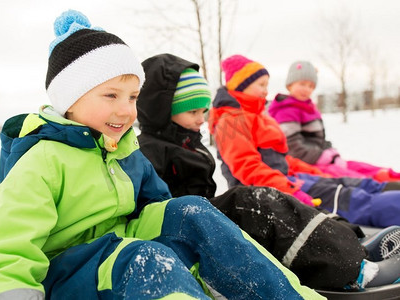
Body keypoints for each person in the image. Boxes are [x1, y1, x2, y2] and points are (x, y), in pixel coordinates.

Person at [0, 11, 325, 300]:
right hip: (69, 274)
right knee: (145, 259)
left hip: (124, 248)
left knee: (192, 211)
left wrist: (192, 240)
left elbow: (157, 207)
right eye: (111, 96)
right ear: (69, 100)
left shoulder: (123, 150)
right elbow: (1, 246)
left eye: (133, 97)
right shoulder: (44, 160)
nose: (126, 110)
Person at [136, 53, 400, 290]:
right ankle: (354, 270)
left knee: (280, 203)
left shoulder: (187, 144)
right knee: (254, 203)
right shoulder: (150, 151)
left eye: (203, 111)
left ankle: (353, 251)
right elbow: (154, 205)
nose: (201, 119)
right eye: (192, 111)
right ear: (163, 111)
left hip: (201, 218)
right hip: (185, 227)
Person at [208, 54, 400, 229]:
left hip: (285, 180)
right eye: (261, 85)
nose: (266, 91)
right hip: (266, 193)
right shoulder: (231, 121)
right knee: (348, 199)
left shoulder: (254, 116)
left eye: (267, 85)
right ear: (240, 85)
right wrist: (291, 188)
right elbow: (248, 168)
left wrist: (314, 172)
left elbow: (281, 160)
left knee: (343, 183)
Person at [268, 60, 400, 182]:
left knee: (357, 166)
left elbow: (319, 139)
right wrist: (324, 157)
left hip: (317, 158)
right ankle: (381, 187)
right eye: (302, 84)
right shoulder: (286, 110)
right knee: (350, 176)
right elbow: (293, 148)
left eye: (311, 86)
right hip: (305, 164)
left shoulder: (309, 108)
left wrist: (330, 152)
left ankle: (388, 176)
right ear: (290, 85)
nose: (306, 89)